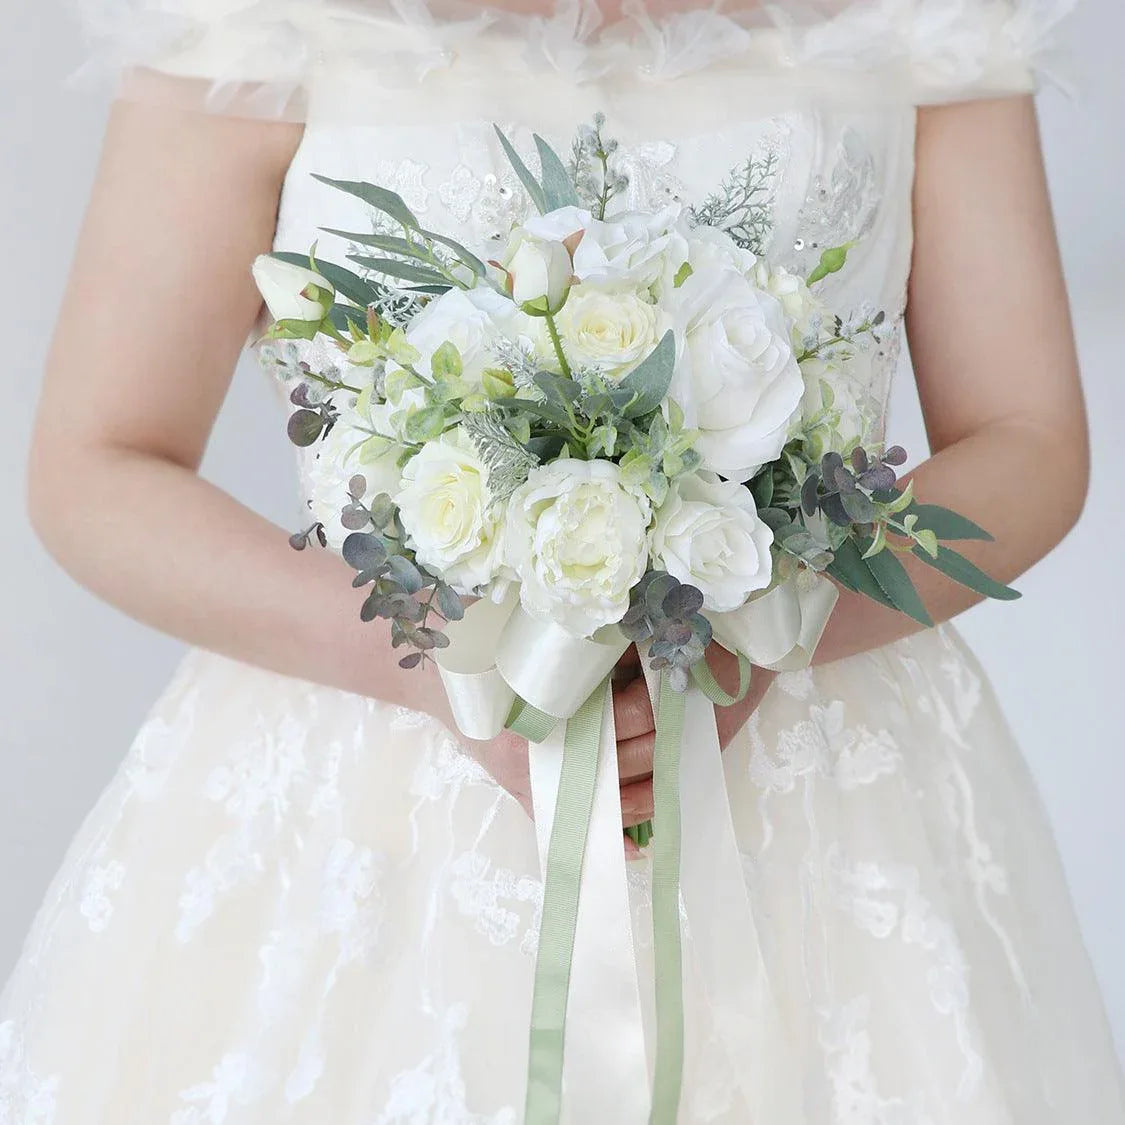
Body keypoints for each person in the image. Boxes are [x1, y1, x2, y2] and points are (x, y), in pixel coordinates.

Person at [2, 0, 1122, 1120]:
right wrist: (451, 667)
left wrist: (764, 633)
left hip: (815, 783)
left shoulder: (929, 21)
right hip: (379, 788)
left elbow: (1029, 441)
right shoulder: (252, 21)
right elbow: (98, 463)